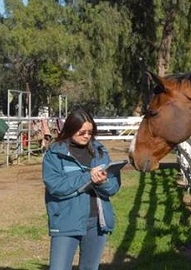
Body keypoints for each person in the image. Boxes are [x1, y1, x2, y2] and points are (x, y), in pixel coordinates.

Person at [42, 109, 121, 270]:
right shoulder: (55, 154)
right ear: (70, 129)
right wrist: (88, 178)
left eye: (90, 132)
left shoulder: (100, 152)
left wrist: (102, 182)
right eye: (82, 132)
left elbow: (113, 187)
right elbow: (56, 186)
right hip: (66, 220)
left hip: (97, 222)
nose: (86, 136)